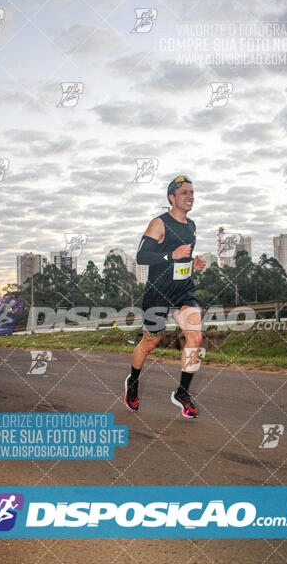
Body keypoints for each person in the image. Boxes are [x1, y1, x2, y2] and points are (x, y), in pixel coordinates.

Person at [124, 175, 206, 418]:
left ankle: (182, 392)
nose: (190, 197)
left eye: (192, 192)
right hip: (157, 293)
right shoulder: (159, 223)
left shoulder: (191, 226)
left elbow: (183, 259)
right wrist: (171, 255)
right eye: (184, 193)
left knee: (195, 336)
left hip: (183, 291)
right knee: (150, 342)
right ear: (172, 198)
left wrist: (194, 263)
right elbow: (141, 256)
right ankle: (133, 382)